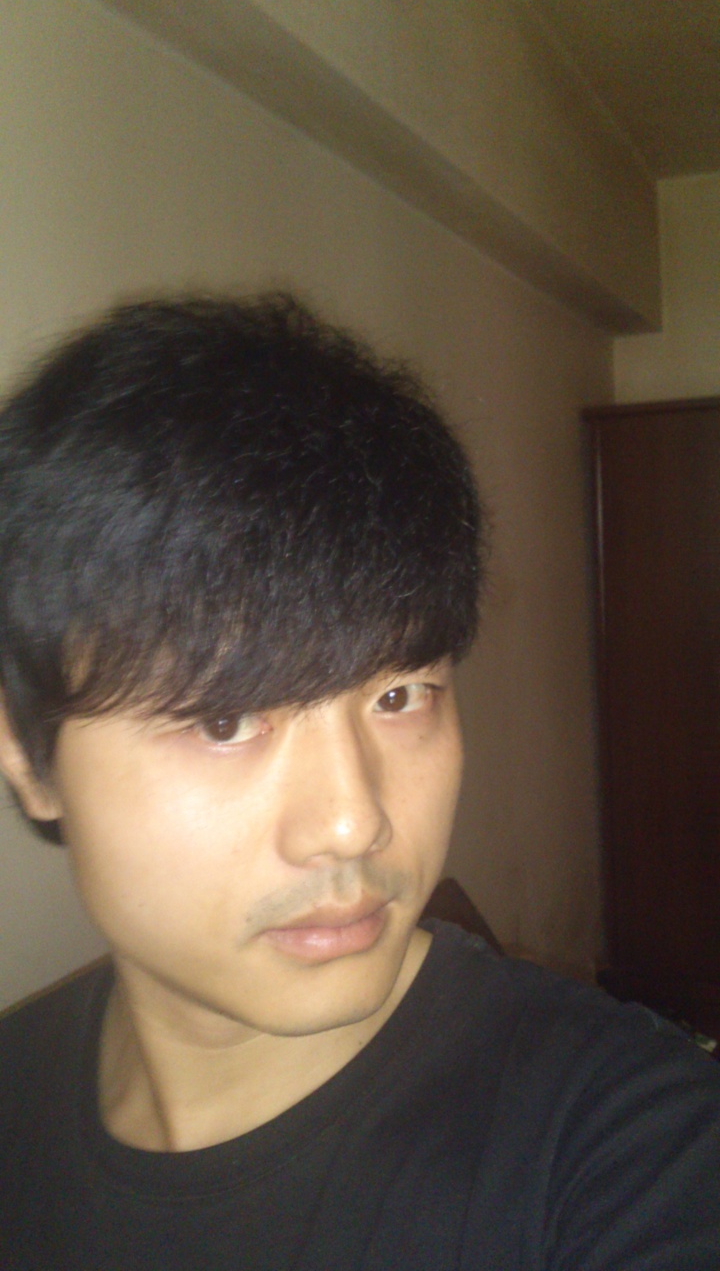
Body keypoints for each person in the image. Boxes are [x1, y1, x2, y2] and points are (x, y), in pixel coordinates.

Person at [0, 294, 717, 1270]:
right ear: (29, 756)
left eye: (399, 695)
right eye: (224, 719)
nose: (353, 821)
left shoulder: (627, 1138)